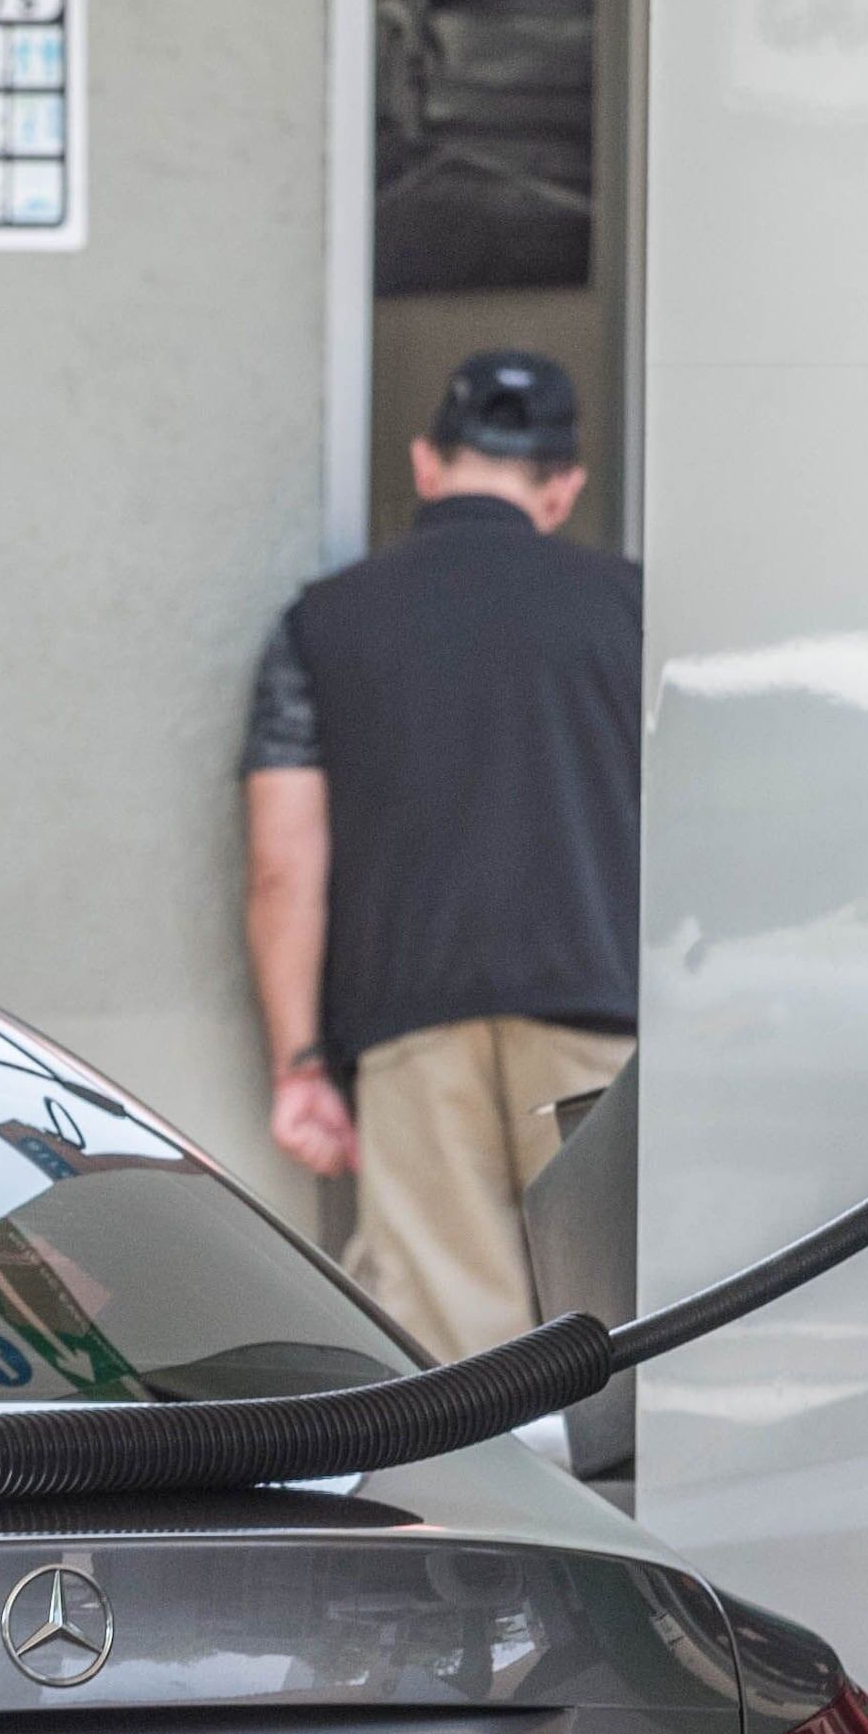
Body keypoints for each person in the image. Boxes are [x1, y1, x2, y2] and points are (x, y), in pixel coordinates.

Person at [242, 348, 642, 1361]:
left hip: (412, 1027)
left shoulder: (321, 624)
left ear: (426, 464)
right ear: (561, 489)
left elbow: (283, 864)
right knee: (621, 1331)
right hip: (601, 1017)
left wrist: (299, 1065)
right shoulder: (639, 611)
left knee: (455, 1363)